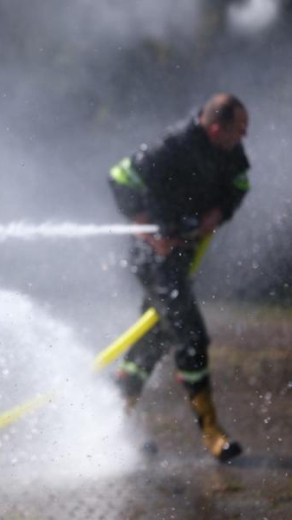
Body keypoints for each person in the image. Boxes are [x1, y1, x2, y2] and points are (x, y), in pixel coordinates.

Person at [108, 93, 250, 463]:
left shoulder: (229, 151)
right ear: (216, 128)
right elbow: (119, 177)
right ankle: (212, 432)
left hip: (181, 255)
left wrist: (217, 214)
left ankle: (112, 430)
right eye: (239, 130)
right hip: (154, 257)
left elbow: (239, 185)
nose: (244, 138)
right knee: (190, 334)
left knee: (151, 343)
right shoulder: (172, 146)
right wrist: (146, 227)